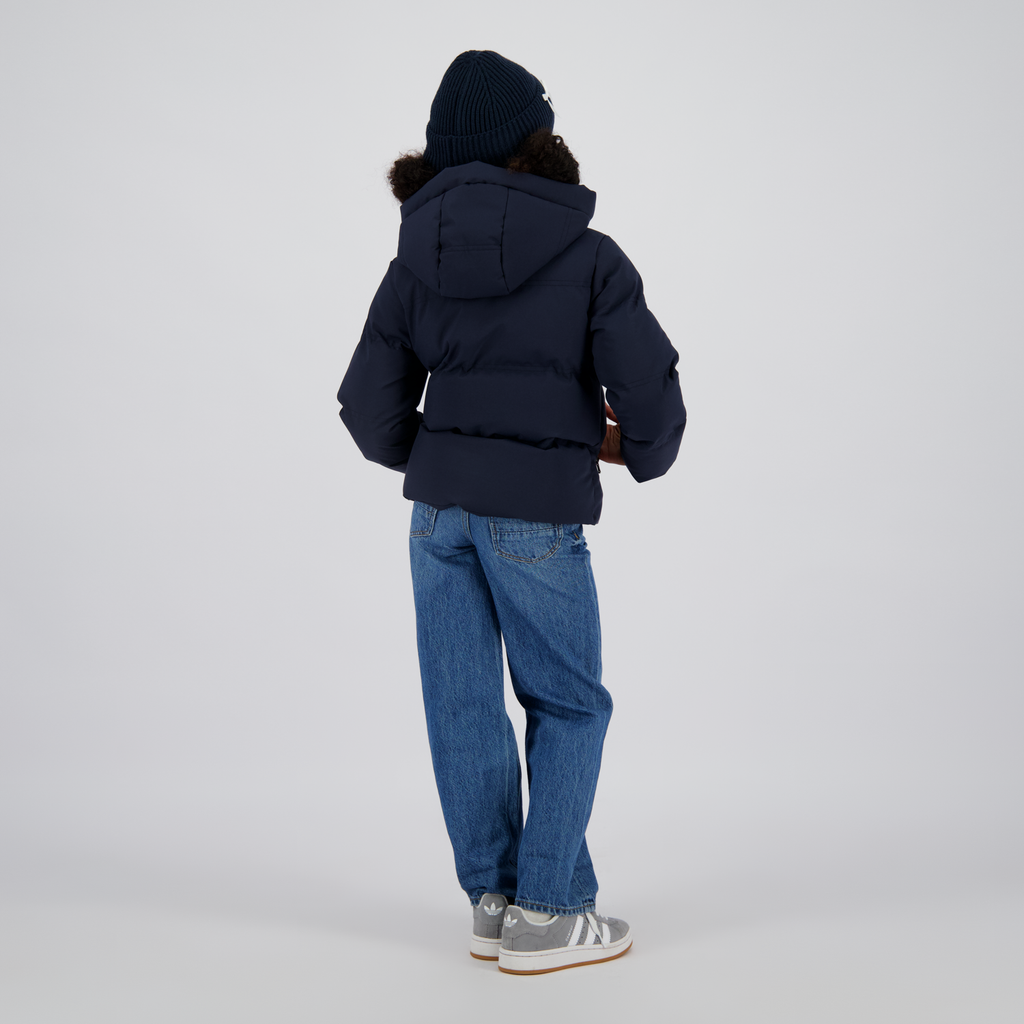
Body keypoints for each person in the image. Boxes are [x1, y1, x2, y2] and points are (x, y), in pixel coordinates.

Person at [337, 50, 686, 974]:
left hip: (436, 519)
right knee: (567, 704)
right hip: (533, 519)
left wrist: (446, 455)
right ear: (535, 142)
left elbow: (368, 410)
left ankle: (493, 904)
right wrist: (636, 451)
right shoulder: (589, 256)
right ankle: (551, 911)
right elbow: (649, 398)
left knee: (461, 707)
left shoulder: (413, 260)